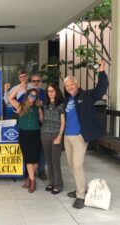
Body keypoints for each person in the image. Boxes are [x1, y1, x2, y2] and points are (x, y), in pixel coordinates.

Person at [64, 60, 108, 209]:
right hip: (67, 137)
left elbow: (101, 89)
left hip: (79, 137)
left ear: (76, 84)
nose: (70, 88)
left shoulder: (86, 95)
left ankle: (81, 196)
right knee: (71, 165)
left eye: (72, 85)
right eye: (67, 86)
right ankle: (79, 189)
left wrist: (101, 71)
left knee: (77, 165)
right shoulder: (68, 99)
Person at [9, 88, 43, 193]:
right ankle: (33, 182)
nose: (32, 98)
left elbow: (42, 120)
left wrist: (41, 110)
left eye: (34, 96)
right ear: (27, 95)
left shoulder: (38, 107)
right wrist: (18, 89)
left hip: (35, 134)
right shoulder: (21, 106)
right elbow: (10, 98)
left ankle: (29, 178)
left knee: (35, 161)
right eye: (30, 95)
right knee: (28, 160)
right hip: (24, 135)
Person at [41, 84, 65, 194]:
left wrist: (59, 136)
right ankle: (51, 183)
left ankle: (58, 185)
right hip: (45, 135)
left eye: (53, 91)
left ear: (57, 92)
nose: (50, 93)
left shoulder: (60, 105)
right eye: (49, 91)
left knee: (55, 162)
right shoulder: (44, 104)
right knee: (48, 161)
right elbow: (42, 119)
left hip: (56, 135)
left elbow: (63, 122)